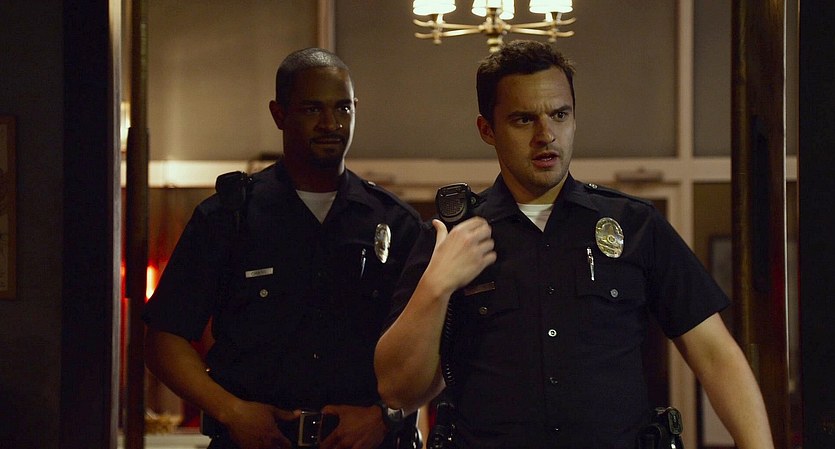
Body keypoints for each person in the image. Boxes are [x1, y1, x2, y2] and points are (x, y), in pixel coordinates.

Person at [374, 40, 774, 449]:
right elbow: (396, 389)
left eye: (559, 114)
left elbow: (715, 355)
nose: (546, 135)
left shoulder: (634, 224)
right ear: (487, 130)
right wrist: (436, 286)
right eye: (523, 119)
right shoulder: (451, 235)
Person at [143, 47, 423, 449]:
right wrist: (231, 410)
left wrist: (386, 416)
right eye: (312, 109)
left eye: (343, 108)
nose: (330, 123)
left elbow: (432, 347)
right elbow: (164, 338)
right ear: (279, 114)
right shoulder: (228, 218)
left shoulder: (395, 223)